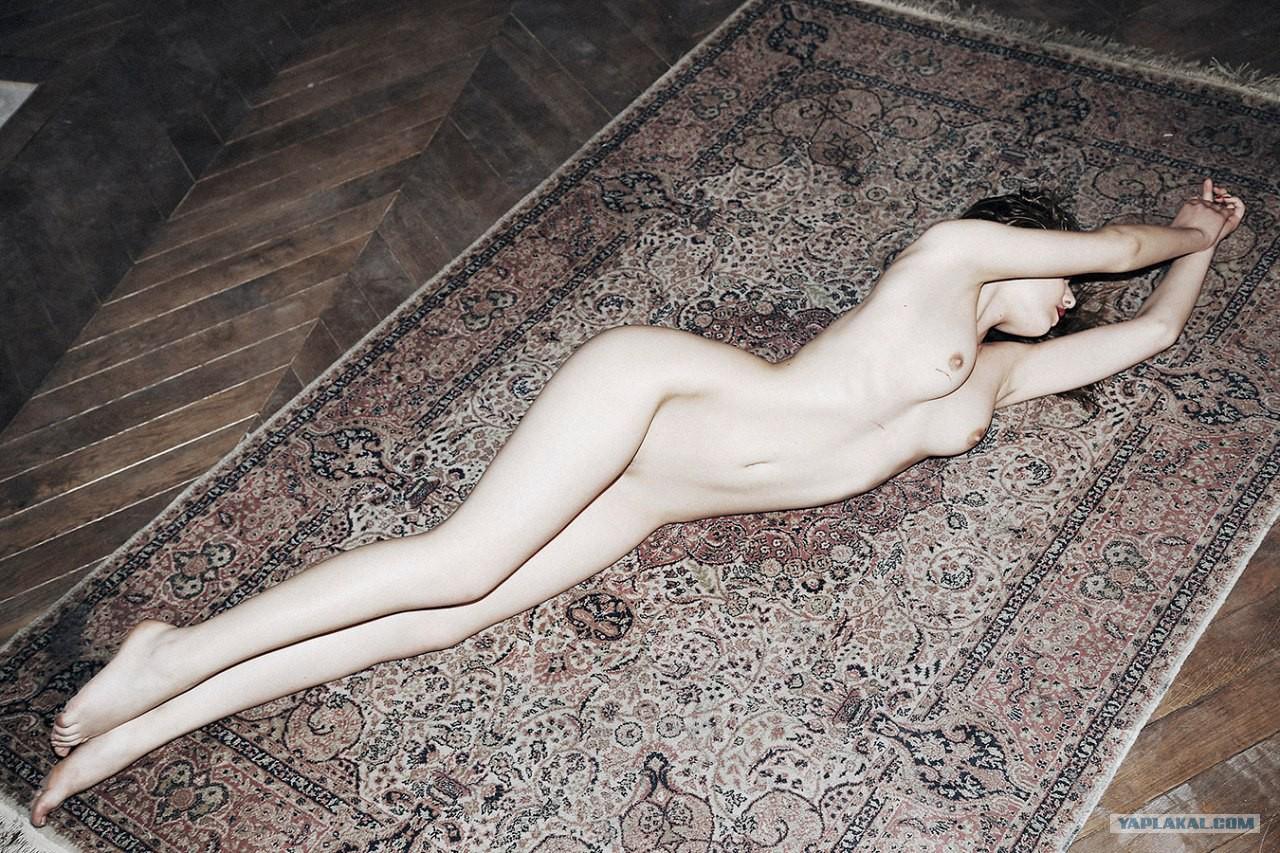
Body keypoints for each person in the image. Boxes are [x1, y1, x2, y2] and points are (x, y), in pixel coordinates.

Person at [29, 177, 1245, 826]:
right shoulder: (949, 257)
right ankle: (167, 653)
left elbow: (1149, 328)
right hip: (658, 394)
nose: (1068, 304)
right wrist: (1180, 223)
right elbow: (1117, 251)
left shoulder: (1000, 373)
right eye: (1058, 276)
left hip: (665, 495)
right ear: (1020, 245)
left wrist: (1202, 254)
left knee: (450, 615)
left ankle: (147, 725)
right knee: (457, 562)